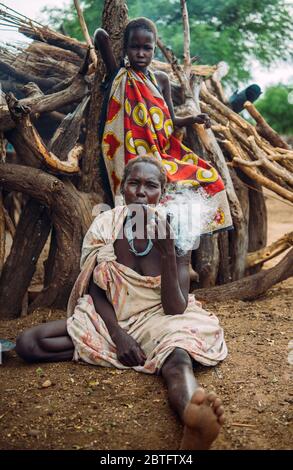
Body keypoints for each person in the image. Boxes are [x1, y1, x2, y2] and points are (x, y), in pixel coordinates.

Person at [16, 156, 227, 450]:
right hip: (113, 318)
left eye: (150, 185)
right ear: (123, 190)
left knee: (178, 362)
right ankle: (127, 352)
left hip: (163, 319)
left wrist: (168, 253)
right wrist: (118, 336)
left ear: (162, 194)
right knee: (29, 343)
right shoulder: (106, 226)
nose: (141, 192)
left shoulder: (176, 230)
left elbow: (175, 308)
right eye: (134, 183)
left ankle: (193, 415)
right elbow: (96, 291)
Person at [94, 17, 232, 234]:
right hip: (133, 158)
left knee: (209, 175)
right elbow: (100, 35)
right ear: (126, 49)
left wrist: (193, 119)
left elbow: (171, 120)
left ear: (153, 50)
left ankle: (188, 233)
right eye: (135, 47)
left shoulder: (160, 80)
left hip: (162, 152)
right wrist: (119, 55)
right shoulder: (120, 75)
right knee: (148, 191)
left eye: (147, 48)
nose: (140, 53)